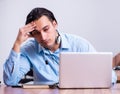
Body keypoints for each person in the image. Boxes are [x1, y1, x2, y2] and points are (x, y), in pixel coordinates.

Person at [3, 7, 117, 86]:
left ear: (55, 24)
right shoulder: (29, 49)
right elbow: (10, 81)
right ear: (31, 34)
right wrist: (17, 43)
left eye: (46, 29)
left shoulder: (79, 45)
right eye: (36, 33)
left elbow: (109, 76)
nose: (43, 37)